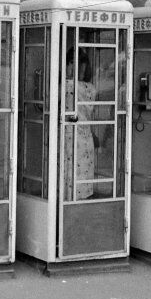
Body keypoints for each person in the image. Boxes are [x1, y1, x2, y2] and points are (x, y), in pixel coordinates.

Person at [63, 47, 97, 200]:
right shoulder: (91, 88)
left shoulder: (68, 85)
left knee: (67, 178)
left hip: (69, 137)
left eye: (71, 62)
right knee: (83, 179)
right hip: (86, 137)